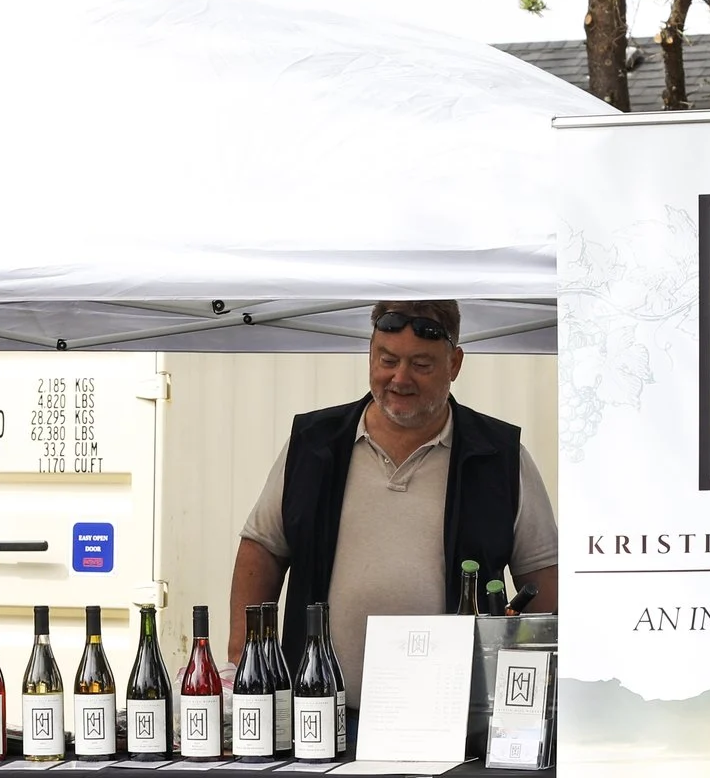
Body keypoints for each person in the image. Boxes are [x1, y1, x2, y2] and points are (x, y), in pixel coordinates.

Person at [228, 301, 558, 704]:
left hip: (454, 718)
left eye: (421, 365)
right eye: (387, 360)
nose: (400, 378)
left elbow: (544, 586)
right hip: (317, 713)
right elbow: (260, 551)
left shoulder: (499, 456)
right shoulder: (312, 444)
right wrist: (241, 663)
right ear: (370, 354)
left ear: (454, 364)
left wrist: (534, 695)